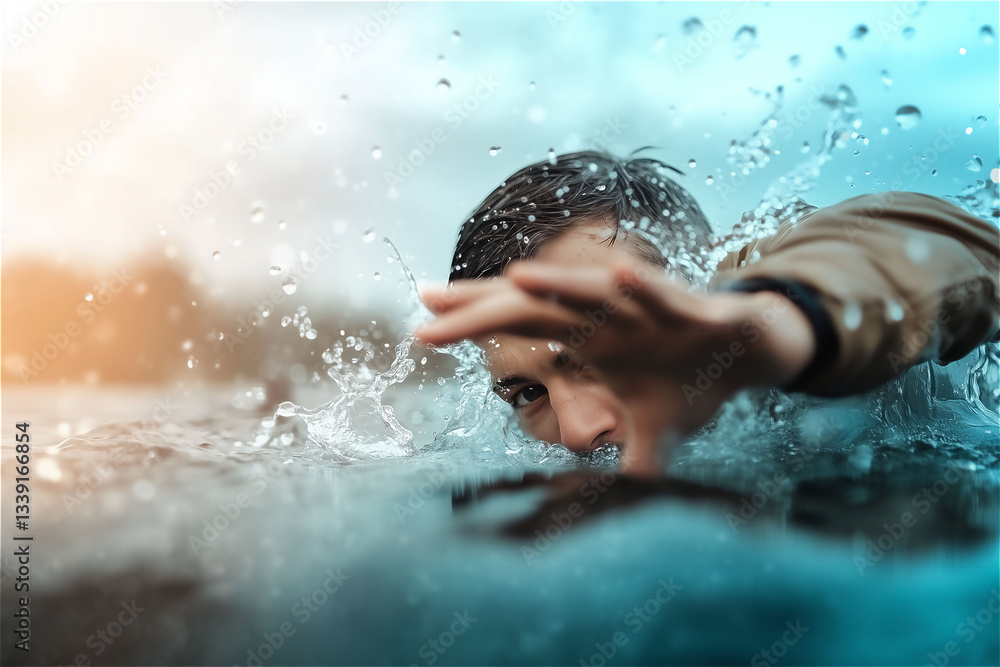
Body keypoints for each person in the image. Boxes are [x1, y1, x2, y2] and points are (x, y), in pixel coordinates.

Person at [414, 150, 999, 474]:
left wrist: (769, 334)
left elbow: (944, 247)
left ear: (697, 285)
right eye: (527, 394)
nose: (577, 433)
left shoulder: (755, 280)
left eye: (601, 348)